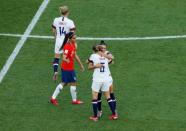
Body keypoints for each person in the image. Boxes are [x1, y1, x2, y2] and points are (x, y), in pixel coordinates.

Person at [50, 33, 84, 106]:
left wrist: (80, 64)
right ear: (70, 39)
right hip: (67, 68)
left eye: (76, 38)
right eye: (74, 38)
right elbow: (64, 57)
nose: (75, 39)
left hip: (70, 68)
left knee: (66, 82)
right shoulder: (67, 46)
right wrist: (67, 60)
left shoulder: (73, 45)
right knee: (71, 82)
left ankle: (53, 98)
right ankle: (73, 100)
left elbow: (75, 55)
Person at [88, 45, 118, 121]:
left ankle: (95, 117)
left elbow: (89, 67)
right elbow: (112, 59)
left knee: (95, 97)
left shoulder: (93, 56)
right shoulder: (106, 57)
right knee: (108, 96)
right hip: (106, 79)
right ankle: (114, 114)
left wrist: (95, 66)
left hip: (97, 79)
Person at [52, 5, 76, 80]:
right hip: (66, 42)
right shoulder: (70, 22)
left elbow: (54, 31)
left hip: (58, 40)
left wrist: (56, 38)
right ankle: (67, 73)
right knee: (67, 57)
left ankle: (55, 71)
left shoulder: (56, 20)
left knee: (56, 57)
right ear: (67, 12)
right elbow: (72, 34)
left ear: (60, 12)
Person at [97, 41, 117, 118]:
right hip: (98, 78)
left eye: (105, 48)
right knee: (98, 95)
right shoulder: (95, 55)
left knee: (111, 94)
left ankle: (114, 111)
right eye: (102, 48)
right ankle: (99, 111)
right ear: (99, 48)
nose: (104, 49)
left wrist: (104, 56)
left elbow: (112, 59)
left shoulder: (106, 53)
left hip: (107, 77)